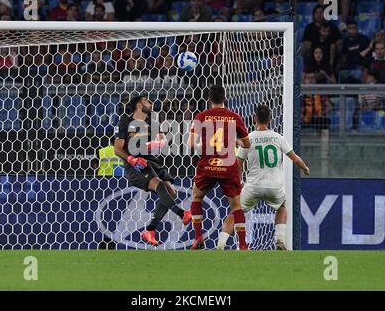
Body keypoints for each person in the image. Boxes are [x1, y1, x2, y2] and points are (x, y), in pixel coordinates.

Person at [216, 105, 310, 251]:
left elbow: (238, 165)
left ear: (254, 118)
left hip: (253, 186)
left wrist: (238, 183)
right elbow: (295, 158)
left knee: (235, 212)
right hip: (274, 186)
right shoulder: (278, 138)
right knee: (282, 207)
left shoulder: (248, 139)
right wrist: (305, 168)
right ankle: (279, 240)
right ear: (270, 120)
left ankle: (221, 245)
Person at [114, 94, 192, 246]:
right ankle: (182, 214)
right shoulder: (125, 122)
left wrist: (156, 144)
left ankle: (150, 230)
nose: (150, 103)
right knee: (160, 185)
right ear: (138, 105)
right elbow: (117, 149)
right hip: (135, 165)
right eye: (146, 101)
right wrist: (131, 159)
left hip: (151, 161)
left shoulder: (153, 122)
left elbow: (162, 140)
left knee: (171, 192)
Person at [187, 85, 251, 250]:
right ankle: (243, 245)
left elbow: (191, 144)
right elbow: (247, 144)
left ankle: (198, 238)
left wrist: (207, 149)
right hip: (228, 166)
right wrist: (235, 141)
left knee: (196, 197)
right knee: (236, 206)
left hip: (207, 165)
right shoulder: (234, 116)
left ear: (209, 99)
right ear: (225, 98)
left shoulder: (201, 116)